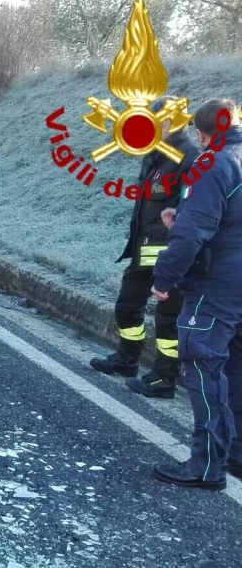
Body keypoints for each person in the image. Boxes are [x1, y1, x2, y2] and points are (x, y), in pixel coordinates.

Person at [148, 98, 242, 491]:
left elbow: (194, 234)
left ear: (204, 135)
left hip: (217, 283)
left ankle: (206, 466)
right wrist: (182, 216)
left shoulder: (214, 163)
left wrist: (164, 277)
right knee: (235, 367)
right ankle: (233, 452)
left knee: (203, 365)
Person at [90, 95, 201, 399]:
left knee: (167, 321)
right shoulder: (153, 154)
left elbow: (192, 209)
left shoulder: (190, 157)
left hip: (171, 253)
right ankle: (127, 360)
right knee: (127, 305)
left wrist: (178, 251)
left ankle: (165, 379)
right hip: (144, 246)